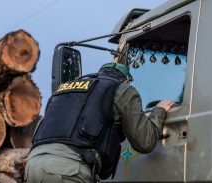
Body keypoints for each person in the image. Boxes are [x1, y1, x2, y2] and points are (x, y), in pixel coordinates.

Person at [25, 63, 174, 183]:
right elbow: (144, 142)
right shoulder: (121, 88)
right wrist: (159, 111)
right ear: (126, 81)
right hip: (68, 169)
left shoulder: (65, 89)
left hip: (32, 165)